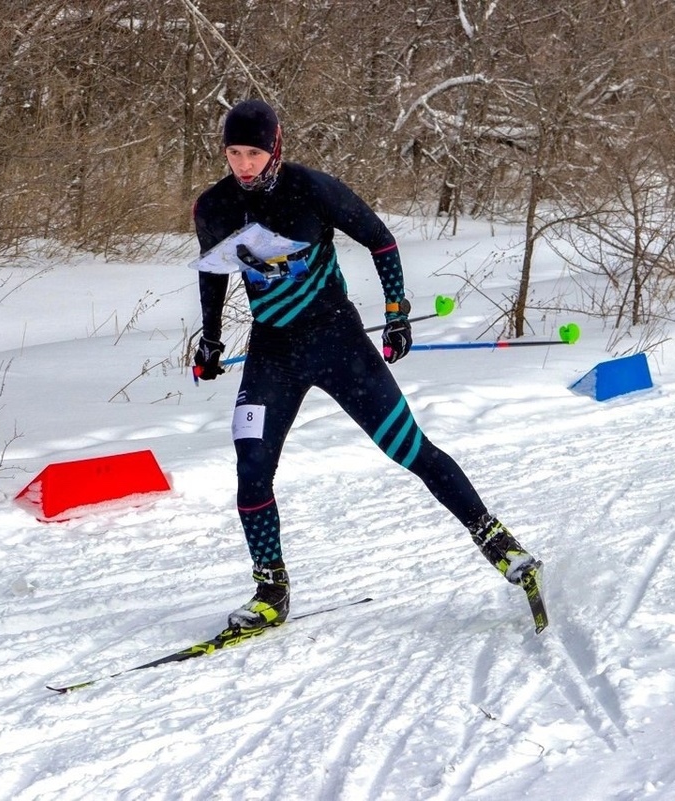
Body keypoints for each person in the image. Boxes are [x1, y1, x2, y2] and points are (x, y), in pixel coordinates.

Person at [192, 98, 541, 632]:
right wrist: (211, 339)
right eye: (234, 152)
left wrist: (397, 313)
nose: (243, 164)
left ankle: (500, 544)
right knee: (251, 466)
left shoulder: (311, 188)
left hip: (339, 343)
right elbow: (213, 273)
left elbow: (381, 240)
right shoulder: (214, 206)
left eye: (254, 153)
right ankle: (271, 590)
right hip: (273, 353)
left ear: (275, 148)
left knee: (410, 448)